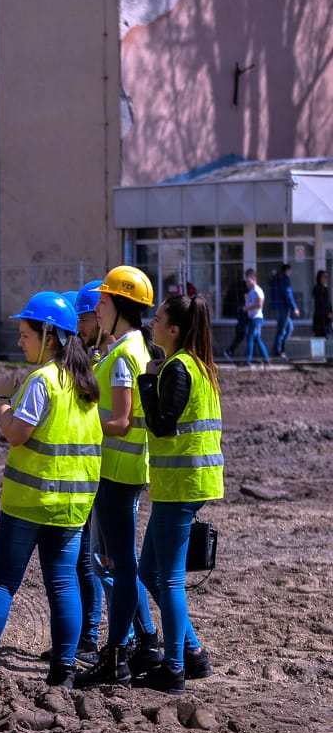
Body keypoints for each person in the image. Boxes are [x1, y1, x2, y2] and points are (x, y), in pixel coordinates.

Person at [0, 291, 101, 688]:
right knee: (64, 584)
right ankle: (64, 670)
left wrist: (2, 399)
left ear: (50, 335)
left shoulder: (43, 381)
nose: (20, 341)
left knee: (3, 582)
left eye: (25, 334)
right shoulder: (85, 382)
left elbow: (17, 434)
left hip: (28, 503)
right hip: (72, 507)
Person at [75, 267, 163, 687]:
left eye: (104, 302)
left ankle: (117, 656)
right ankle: (139, 644)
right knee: (115, 562)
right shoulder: (130, 348)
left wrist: (81, 418)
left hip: (118, 473)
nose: (97, 307)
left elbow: (123, 421)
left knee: (120, 565)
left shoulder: (127, 354)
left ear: (121, 308)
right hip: (118, 472)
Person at [134, 292, 224, 694]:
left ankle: (173, 669)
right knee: (149, 572)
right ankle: (193, 654)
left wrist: (147, 380)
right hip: (188, 482)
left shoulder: (178, 369)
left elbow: (161, 424)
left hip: (180, 486)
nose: (151, 325)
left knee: (167, 580)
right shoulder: (199, 365)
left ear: (174, 330)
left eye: (157, 320)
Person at [71, 279, 106, 665]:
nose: (79, 326)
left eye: (84, 318)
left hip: (106, 472)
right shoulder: (95, 353)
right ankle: (88, 636)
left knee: (96, 559)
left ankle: (91, 637)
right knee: (89, 558)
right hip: (94, 468)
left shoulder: (109, 357)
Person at [269, 264, 300, 358]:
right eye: (290, 270)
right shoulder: (285, 280)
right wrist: (294, 307)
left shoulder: (276, 280)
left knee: (289, 327)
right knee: (282, 330)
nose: (291, 272)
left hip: (278, 308)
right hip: (284, 308)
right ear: (287, 270)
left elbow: (273, 293)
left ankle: (283, 348)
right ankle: (277, 350)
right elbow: (288, 294)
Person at [243, 269, 269, 368]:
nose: (246, 283)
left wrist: (247, 308)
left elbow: (259, 305)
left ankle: (248, 361)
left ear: (253, 280)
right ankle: (266, 359)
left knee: (250, 338)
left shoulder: (258, 291)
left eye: (248, 281)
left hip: (256, 318)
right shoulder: (251, 291)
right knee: (257, 339)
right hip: (252, 318)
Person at [222, 275, 250, 360]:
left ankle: (230, 351)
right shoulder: (243, 293)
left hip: (242, 318)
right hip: (243, 319)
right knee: (243, 336)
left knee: (246, 336)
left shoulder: (240, 296)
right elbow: (246, 303)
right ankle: (230, 351)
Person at [313, 270, 332, 339]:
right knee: (322, 336)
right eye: (325, 277)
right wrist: (328, 313)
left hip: (324, 317)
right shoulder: (318, 289)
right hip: (321, 317)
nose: (326, 279)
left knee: (326, 336)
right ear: (320, 278)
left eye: (327, 277)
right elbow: (322, 303)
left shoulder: (324, 288)